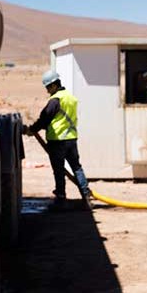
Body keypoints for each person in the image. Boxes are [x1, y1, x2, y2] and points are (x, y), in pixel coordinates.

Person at [30, 69, 92, 208]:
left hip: (57, 141)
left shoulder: (55, 100)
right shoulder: (70, 97)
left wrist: (32, 130)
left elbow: (45, 118)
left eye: (47, 87)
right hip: (71, 139)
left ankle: (61, 199)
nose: (47, 91)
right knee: (77, 168)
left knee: (59, 170)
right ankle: (86, 196)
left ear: (53, 85)